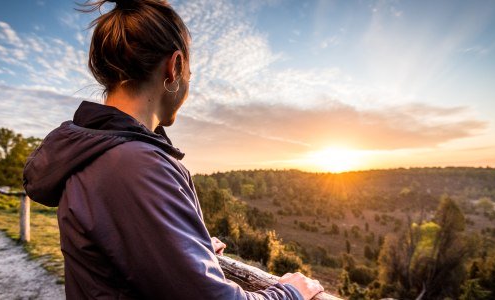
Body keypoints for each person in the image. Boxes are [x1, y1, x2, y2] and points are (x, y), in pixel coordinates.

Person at [23, 0, 324, 299]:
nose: (189, 81)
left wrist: (189, 248)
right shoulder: (136, 165)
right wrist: (290, 293)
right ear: (175, 66)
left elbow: (122, 249)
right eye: (190, 72)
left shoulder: (91, 151)